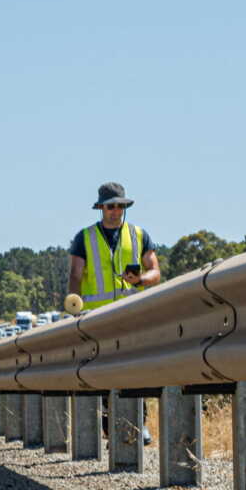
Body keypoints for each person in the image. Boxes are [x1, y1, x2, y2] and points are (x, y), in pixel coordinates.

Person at [68, 181, 161, 444]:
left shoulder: (139, 235)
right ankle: (111, 429)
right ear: (101, 208)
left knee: (135, 370)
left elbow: (155, 271)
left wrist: (140, 279)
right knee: (104, 372)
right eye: (110, 206)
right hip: (97, 318)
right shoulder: (84, 238)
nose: (115, 211)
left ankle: (138, 425)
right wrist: (74, 306)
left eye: (120, 206)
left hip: (131, 316)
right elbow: (75, 274)